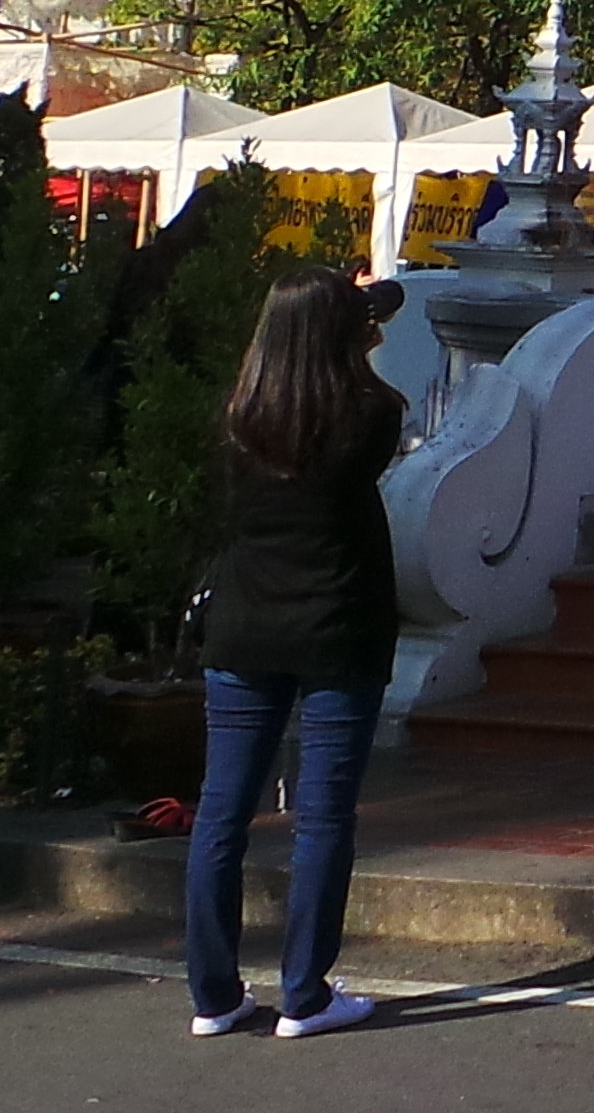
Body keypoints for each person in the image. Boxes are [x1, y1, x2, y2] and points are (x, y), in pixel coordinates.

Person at [186, 271, 408, 1039]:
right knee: (322, 816)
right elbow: (360, 365)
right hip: (338, 624)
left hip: (246, 622)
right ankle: (305, 992)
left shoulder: (243, 417)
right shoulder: (370, 414)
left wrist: (341, 311)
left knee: (222, 813)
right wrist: (362, 316)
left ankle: (214, 995)